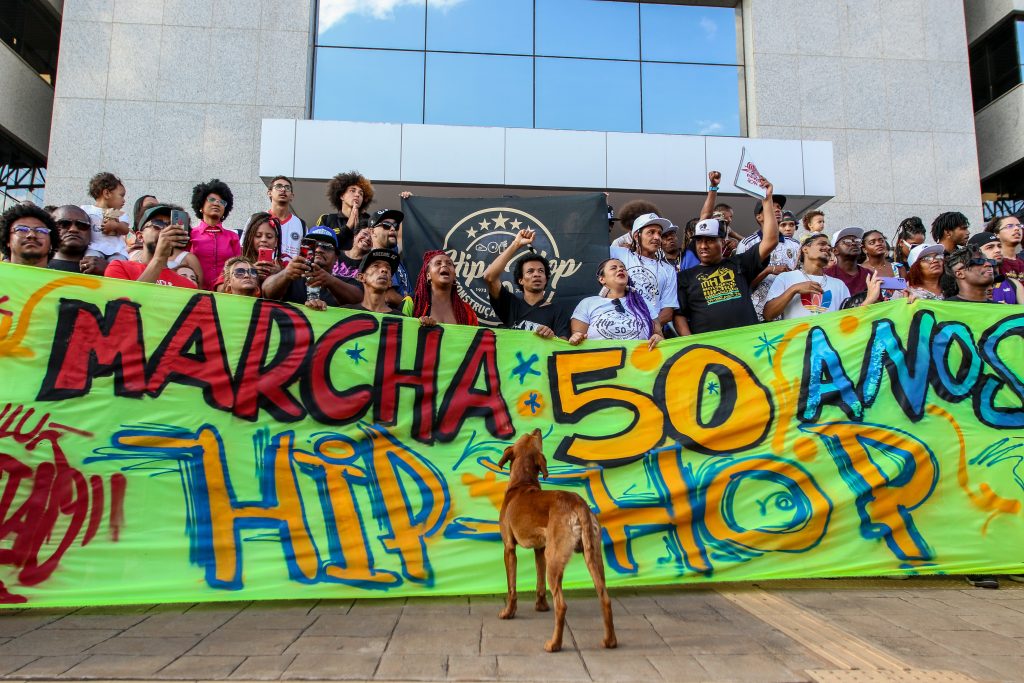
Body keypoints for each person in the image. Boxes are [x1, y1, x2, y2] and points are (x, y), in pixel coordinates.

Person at [674, 179, 779, 336]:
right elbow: (679, 315)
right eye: (699, 241)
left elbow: (770, 240)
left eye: (709, 240)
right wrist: (691, 345)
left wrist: (767, 200)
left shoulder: (740, 263)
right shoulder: (684, 277)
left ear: (722, 242)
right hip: (710, 350)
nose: (703, 246)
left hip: (748, 344)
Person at [482, 227, 570, 338]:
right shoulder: (510, 304)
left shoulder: (557, 311)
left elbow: (564, 347)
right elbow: (489, 276)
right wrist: (516, 244)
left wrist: (552, 338)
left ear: (546, 279)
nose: (536, 274)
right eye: (530, 271)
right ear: (521, 280)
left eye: (541, 271)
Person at [569, 259, 662, 349]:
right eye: (613, 268)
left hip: (638, 362)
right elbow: (578, 340)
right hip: (599, 362)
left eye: (623, 268)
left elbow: (659, 336)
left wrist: (658, 339)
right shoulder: (587, 303)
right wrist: (575, 338)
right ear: (602, 279)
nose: (620, 269)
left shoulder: (643, 303)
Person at [261, 227, 361, 310]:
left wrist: (329, 280)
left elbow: (358, 299)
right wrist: (286, 274)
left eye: (326, 247)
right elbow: (266, 292)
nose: (318, 250)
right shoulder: (291, 277)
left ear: (336, 258)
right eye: (312, 245)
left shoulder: (345, 283)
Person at [609, 213, 678, 330]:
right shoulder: (618, 254)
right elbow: (590, 243)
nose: (657, 237)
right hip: (616, 328)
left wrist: (646, 328)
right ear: (636, 236)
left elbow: (667, 311)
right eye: (651, 232)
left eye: (659, 234)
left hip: (649, 334)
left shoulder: (668, 270)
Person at [104, 204, 197, 288]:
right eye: (158, 224)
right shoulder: (119, 267)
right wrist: (159, 258)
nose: (165, 230)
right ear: (140, 236)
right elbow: (126, 305)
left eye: (170, 226)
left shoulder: (187, 285)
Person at [763, 233, 850, 320]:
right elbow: (768, 315)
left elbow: (849, 319)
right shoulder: (785, 277)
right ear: (805, 249)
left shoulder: (839, 285)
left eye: (830, 247)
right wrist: (794, 289)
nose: (828, 248)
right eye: (822, 244)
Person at [737, 207, 800, 320]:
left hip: (788, 314)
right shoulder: (747, 243)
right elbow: (740, 285)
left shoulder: (795, 245)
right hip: (756, 314)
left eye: (779, 208)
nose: (777, 210)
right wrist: (768, 270)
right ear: (759, 217)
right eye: (771, 207)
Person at [189, 178, 241, 289]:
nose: (217, 203)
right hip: (194, 294)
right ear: (201, 206)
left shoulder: (233, 237)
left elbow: (238, 267)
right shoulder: (190, 234)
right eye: (212, 199)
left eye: (222, 202)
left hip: (225, 295)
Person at [409, 250, 478, 326]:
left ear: (454, 276)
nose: (444, 265)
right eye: (438, 263)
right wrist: (417, 325)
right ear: (428, 276)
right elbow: (397, 330)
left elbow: (476, 337)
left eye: (449, 263)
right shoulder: (412, 302)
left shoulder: (467, 310)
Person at [315, 171, 373, 251]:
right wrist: (348, 226)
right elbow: (320, 246)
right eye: (352, 190)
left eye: (361, 193)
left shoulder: (370, 221)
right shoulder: (326, 219)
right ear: (342, 196)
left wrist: (357, 228)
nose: (357, 195)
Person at [81, 171, 130, 262]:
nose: (124, 200)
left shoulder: (120, 213)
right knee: (89, 261)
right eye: (121, 196)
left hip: (117, 251)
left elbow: (125, 230)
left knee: (118, 266)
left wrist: (116, 225)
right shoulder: (86, 210)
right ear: (107, 193)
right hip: (94, 248)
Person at [345, 249, 406, 316]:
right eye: (376, 266)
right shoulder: (345, 313)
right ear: (361, 277)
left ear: (390, 282)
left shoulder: (402, 319)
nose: (384, 270)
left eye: (388, 268)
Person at [48, 205, 107, 275]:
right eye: (64, 224)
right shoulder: (36, 265)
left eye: (82, 225)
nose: (73, 229)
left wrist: (109, 271)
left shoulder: (107, 268)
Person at [367, 208, 412, 298]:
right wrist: (411, 308)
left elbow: (400, 237)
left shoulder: (392, 253)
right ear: (372, 232)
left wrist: (409, 202)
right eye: (386, 225)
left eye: (395, 226)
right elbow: (389, 296)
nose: (392, 229)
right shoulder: (377, 259)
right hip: (396, 311)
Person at [969, 232, 1024, 304]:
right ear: (975, 254)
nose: (998, 250)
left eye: (999, 246)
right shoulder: (968, 285)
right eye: (990, 247)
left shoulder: (1014, 284)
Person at [1, 203, 59, 268]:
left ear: (51, 243)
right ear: (7, 240)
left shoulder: (68, 278)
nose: (32, 235)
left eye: (41, 230)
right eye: (22, 229)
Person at [266, 175, 306, 260]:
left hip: (291, 273)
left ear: (292, 196)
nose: (283, 189)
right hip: (262, 271)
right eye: (278, 186)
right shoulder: (257, 220)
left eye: (287, 188)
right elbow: (244, 249)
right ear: (269, 193)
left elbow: (305, 256)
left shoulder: (301, 225)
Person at [238, 212, 284, 285]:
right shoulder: (237, 262)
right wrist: (249, 271)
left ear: (276, 242)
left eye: (269, 237)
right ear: (250, 238)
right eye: (258, 236)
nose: (263, 240)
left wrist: (280, 275)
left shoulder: (282, 266)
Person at [824, 227, 872, 295]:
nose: (854, 243)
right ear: (835, 250)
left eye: (857, 241)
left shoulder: (869, 274)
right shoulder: (827, 276)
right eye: (847, 242)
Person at [984, 214, 1024, 284]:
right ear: (996, 234)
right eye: (1009, 226)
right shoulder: (992, 263)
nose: (1017, 228)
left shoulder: (1022, 261)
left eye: (1019, 226)